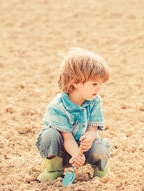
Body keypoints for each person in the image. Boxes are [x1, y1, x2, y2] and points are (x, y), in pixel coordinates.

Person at [35, 48, 111, 182]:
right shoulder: (58, 105)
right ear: (75, 82)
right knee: (49, 135)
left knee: (100, 148)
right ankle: (54, 170)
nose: (98, 89)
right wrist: (76, 154)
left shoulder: (94, 101)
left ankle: (101, 170)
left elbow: (92, 129)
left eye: (100, 84)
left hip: (83, 151)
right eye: (94, 84)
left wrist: (89, 138)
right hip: (62, 151)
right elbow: (67, 137)